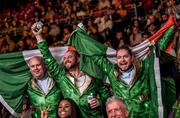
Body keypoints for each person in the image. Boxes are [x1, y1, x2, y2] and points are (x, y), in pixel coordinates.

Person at [68, 23, 176, 118]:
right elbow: (95, 55)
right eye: (119, 57)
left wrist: (171, 26)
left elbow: (159, 48)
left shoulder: (144, 67)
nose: (122, 60)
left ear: (132, 58)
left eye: (125, 57)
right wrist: (83, 38)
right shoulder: (111, 71)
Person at [31, 23, 109, 118]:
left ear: (78, 59)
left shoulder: (92, 75)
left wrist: (100, 101)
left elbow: (105, 93)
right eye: (64, 58)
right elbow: (48, 59)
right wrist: (39, 36)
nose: (66, 59)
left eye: (70, 56)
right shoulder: (61, 77)